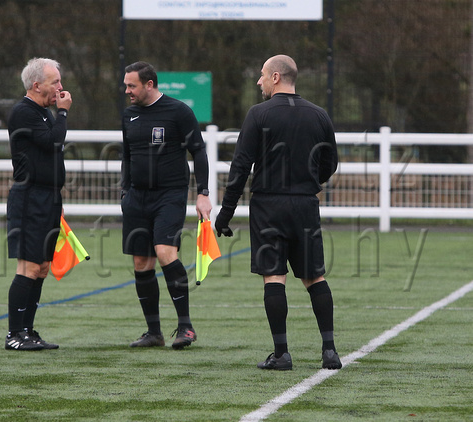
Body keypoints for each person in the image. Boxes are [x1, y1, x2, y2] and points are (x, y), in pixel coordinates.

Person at [215, 55, 341, 370]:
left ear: (275, 77)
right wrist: (310, 182)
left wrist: (225, 213)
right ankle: (329, 351)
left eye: (261, 76)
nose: (258, 82)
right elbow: (330, 163)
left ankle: (282, 354)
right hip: (305, 204)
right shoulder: (319, 115)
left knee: (274, 277)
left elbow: (240, 166)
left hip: (268, 206)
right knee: (315, 276)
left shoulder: (258, 114)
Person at [121, 61, 212, 349]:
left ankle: (185, 326)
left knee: (164, 252)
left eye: (131, 85)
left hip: (170, 195)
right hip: (136, 198)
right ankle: (154, 333)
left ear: (149, 84)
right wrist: (125, 192)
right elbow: (127, 155)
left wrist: (203, 192)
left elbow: (198, 151)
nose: (127, 91)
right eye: (126, 85)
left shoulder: (179, 112)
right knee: (141, 262)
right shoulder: (129, 115)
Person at [5, 57, 72, 351]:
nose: (60, 87)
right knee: (29, 267)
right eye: (54, 82)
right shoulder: (24, 112)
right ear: (36, 85)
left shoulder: (43, 113)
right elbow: (53, 142)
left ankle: (29, 331)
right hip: (30, 198)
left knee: (43, 266)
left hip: (49, 198)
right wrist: (64, 114)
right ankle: (14, 335)